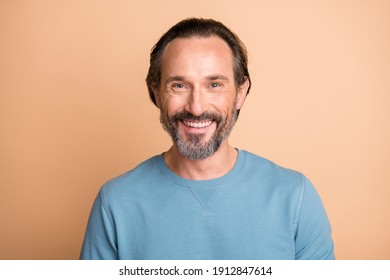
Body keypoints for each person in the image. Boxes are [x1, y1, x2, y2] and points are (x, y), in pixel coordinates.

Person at [80, 18, 335, 260]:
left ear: (241, 92)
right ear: (155, 93)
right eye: (179, 85)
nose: (197, 107)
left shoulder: (294, 197)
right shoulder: (115, 203)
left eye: (214, 85)